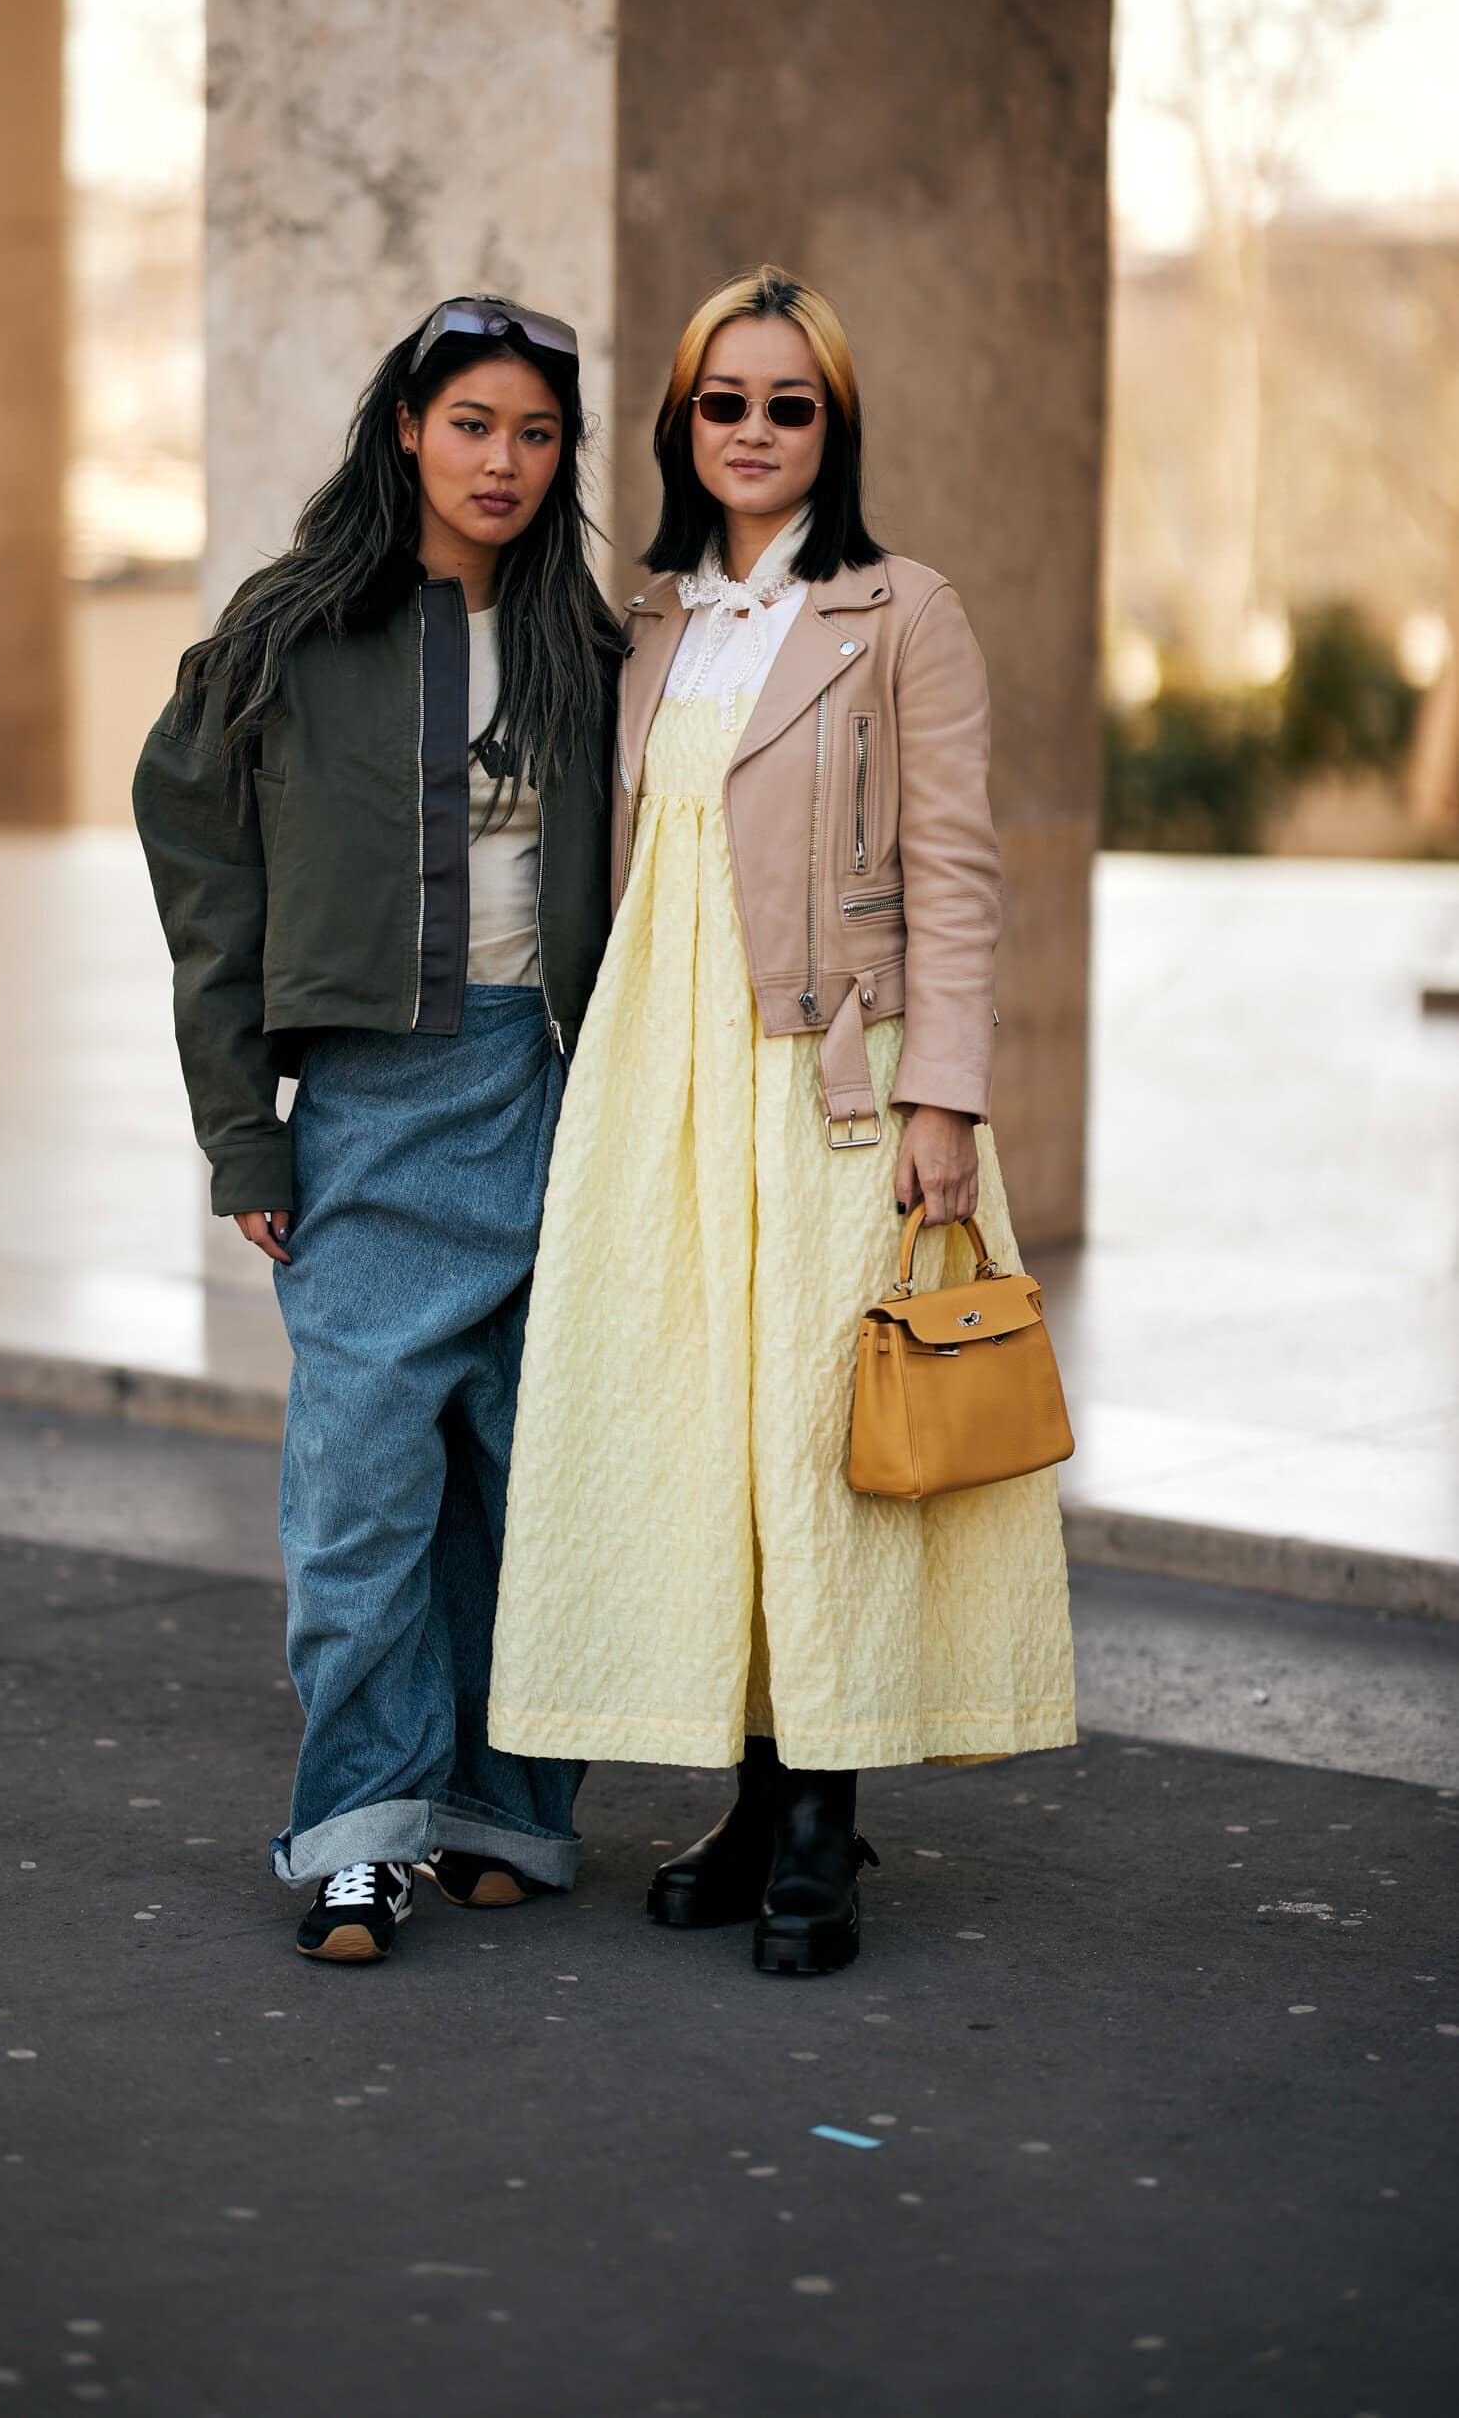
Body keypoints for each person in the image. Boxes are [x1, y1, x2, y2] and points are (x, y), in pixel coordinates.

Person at [489, 265, 1075, 1976]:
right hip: (657, 1079)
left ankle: (822, 1811)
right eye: (723, 403)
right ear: (683, 423)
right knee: (705, 1438)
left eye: (787, 404)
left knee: (825, 1443)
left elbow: (959, 868)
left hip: (833, 1077)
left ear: (834, 426)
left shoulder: (904, 611)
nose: (753, 431)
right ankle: (748, 1794)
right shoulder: (650, 618)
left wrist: (946, 1096)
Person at [134, 297, 621, 1965]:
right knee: (355, 1497)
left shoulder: (591, 641)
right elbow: (208, 891)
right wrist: (244, 1138)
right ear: (408, 427)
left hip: (554, 1095)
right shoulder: (291, 631)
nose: (505, 462)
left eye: (538, 433)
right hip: (369, 1107)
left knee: (522, 1487)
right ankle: (360, 1824)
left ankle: (503, 1811)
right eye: (474, 423)